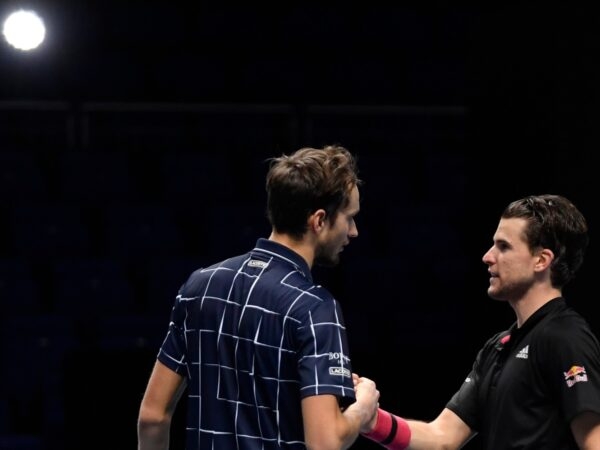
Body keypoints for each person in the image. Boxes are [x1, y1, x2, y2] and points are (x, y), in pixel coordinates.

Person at [137, 144, 380, 450]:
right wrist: (363, 408)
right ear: (319, 221)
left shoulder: (199, 287)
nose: (354, 231)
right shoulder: (315, 308)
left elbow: (152, 417)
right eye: (349, 217)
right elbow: (325, 443)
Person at [359, 194, 600, 449]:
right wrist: (370, 420)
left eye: (503, 246)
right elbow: (442, 438)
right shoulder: (497, 348)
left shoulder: (566, 337)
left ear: (541, 260)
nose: (487, 256)